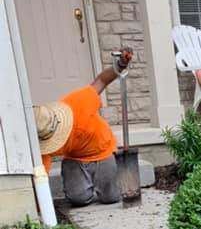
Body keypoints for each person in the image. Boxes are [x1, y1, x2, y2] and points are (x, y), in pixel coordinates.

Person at [33, 47, 134, 206]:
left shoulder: (78, 103)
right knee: (78, 200)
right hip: (75, 159)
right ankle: (87, 185)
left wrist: (120, 65)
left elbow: (101, 81)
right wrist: (39, 209)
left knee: (110, 198)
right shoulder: (42, 138)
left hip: (102, 150)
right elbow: (41, 178)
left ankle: (108, 180)